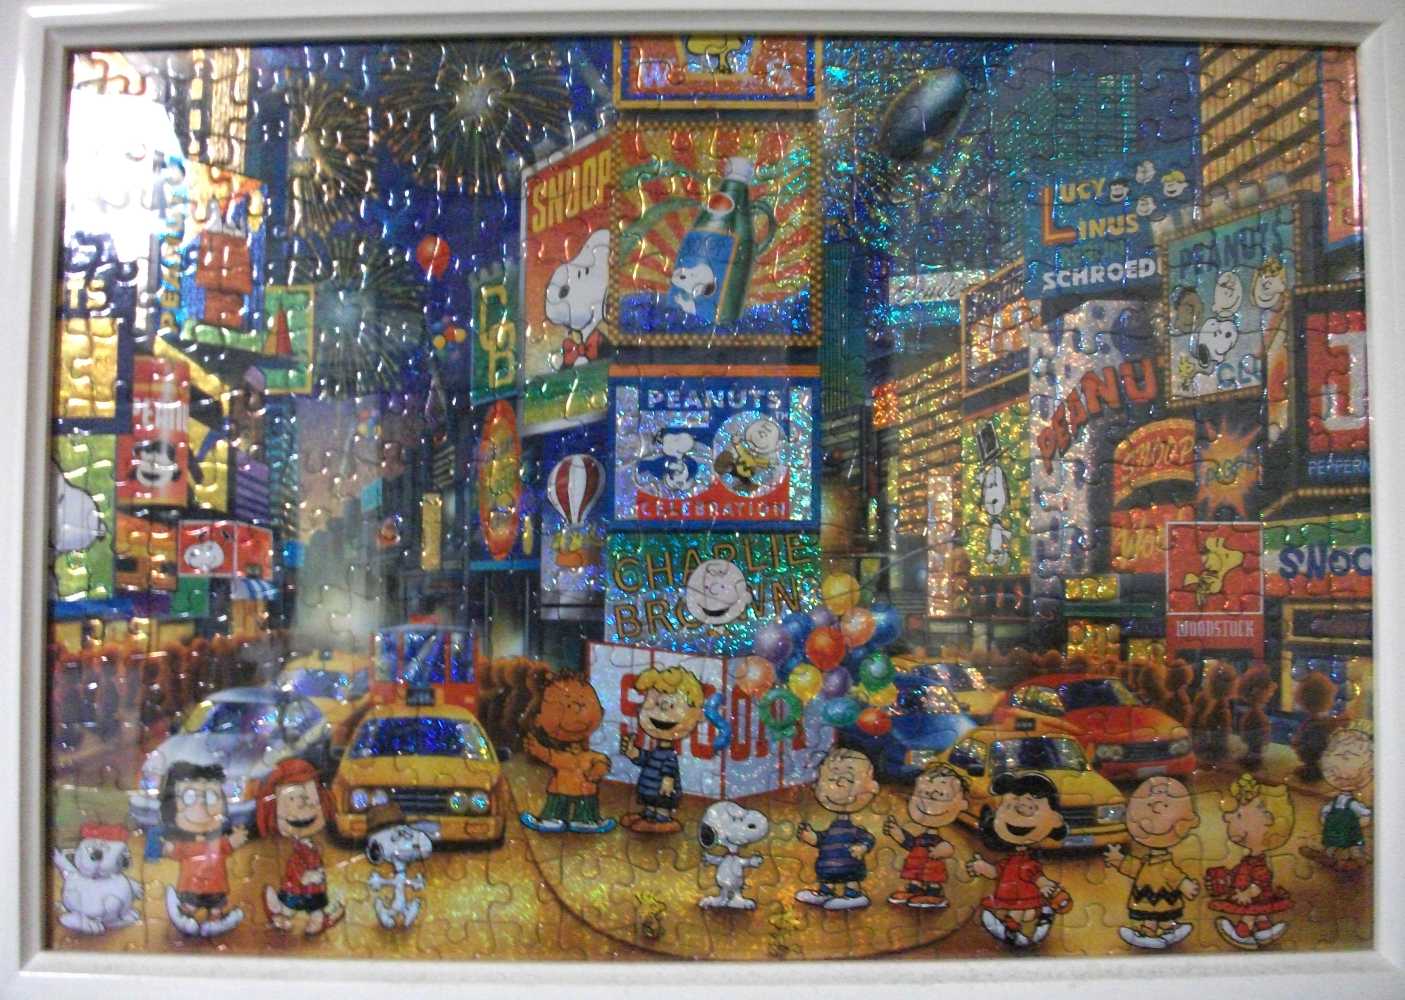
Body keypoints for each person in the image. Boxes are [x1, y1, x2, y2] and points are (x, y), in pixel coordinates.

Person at [966, 771, 1072, 948]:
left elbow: (1036, 875)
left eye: (1030, 809)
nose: (1019, 815)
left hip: (1026, 896)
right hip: (1010, 896)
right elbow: (998, 871)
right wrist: (982, 867)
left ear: (1055, 820)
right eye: (1010, 807)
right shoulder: (1011, 860)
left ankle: (1021, 927)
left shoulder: (1029, 862)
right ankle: (1024, 926)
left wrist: (1045, 885)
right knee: (1021, 913)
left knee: (1025, 913)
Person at [1103, 776, 1201, 948]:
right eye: (1149, 805)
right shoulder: (1146, 862)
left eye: (1164, 806)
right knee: (1149, 917)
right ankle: (1148, 933)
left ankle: (1169, 930)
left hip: (1164, 899)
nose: (1156, 809)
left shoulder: (1165, 865)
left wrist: (1185, 885)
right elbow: (1135, 868)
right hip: (1145, 897)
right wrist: (1119, 861)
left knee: (1164, 917)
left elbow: (1173, 875)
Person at [255, 757, 344, 935]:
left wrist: (316, 875)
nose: (301, 807)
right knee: (290, 905)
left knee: (315, 907)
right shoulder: (297, 850)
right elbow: (295, 869)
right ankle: (279, 913)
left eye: (307, 798)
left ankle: (319, 919)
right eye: (291, 800)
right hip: (295, 887)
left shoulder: (312, 847)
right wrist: (307, 877)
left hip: (314, 889)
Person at [1206, 773, 1295, 949]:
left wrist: (1247, 893)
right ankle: (1265, 930)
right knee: (1260, 914)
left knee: (1250, 915)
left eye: (1239, 815)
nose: (1227, 817)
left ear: (1267, 821)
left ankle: (1241, 934)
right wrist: (1229, 877)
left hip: (1254, 897)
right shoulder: (1250, 859)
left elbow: (1262, 880)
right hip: (1255, 896)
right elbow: (1242, 871)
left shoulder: (1258, 863)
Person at [159, 761, 247, 937]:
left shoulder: (218, 842)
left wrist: (236, 839)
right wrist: (168, 848)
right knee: (190, 905)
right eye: (189, 797)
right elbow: (174, 852)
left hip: (217, 886)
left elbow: (229, 845)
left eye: (211, 797)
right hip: (191, 885)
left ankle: (216, 921)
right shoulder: (185, 843)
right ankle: (184, 916)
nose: (201, 806)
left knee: (216, 907)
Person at [520, 674, 615, 834]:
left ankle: (585, 820)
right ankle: (551, 820)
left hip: (585, 791)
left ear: (601, 712)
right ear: (539, 719)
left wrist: (598, 770)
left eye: (582, 704)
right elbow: (550, 756)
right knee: (555, 804)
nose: (576, 709)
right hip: (559, 789)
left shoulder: (590, 756)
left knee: (585, 805)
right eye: (564, 706)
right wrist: (536, 748)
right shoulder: (558, 755)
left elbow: (602, 762)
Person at [619, 666, 704, 834]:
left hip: (663, 791)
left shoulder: (669, 755)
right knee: (651, 806)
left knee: (662, 806)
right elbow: (647, 759)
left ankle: (663, 820)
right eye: (655, 704)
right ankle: (648, 815)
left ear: (696, 715)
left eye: (668, 706)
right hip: (649, 790)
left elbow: (669, 768)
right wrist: (633, 752)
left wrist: (668, 780)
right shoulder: (657, 751)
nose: (658, 713)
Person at [794, 747, 879, 911]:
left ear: (872, 787)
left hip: (850, 864)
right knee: (827, 877)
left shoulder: (854, 829)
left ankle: (854, 896)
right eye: (831, 779)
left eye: (849, 780)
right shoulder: (834, 827)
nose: (839, 784)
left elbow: (867, 837)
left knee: (851, 878)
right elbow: (825, 838)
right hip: (828, 865)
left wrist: (862, 847)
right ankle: (825, 893)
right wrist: (813, 837)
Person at [883, 762, 968, 909]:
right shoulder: (921, 836)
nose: (929, 801)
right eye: (923, 794)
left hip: (932, 864)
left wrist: (943, 850)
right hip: (917, 863)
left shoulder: (937, 839)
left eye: (941, 795)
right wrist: (896, 832)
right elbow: (910, 843)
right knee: (915, 876)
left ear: (961, 805)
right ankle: (914, 891)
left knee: (932, 877)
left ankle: (934, 894)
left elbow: (948, 848)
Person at [1302, 721, 1372, 872]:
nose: (1339, 779)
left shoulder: (1352, 803)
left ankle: (1357, 859)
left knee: (1353, 845)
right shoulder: (1336, 800)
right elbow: (1328, 808)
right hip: (1334, 829)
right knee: (1332, 843)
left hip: (1349, 830)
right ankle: (1327, 856)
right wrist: (1325, 815)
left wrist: (1362, 821)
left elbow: (1365, 813)